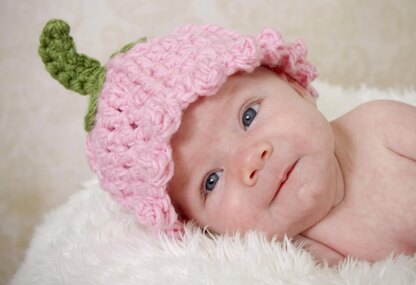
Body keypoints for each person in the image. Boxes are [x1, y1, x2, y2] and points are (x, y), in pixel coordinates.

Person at [39, 19, 416, 265]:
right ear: (198, 225)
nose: (249, 163)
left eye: (248, 116)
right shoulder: (297, 253)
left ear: (292, 85)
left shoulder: (379, 124)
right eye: (211, 181)